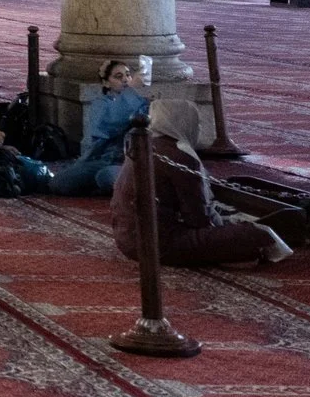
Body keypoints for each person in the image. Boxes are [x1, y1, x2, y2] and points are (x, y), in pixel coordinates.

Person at [111, 95, 292, 268]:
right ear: (184, 122)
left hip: (128, 241)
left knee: (232, 226)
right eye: (195, 123)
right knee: (255, 234)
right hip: (159, 244)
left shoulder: (142, 145)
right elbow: (198, 218)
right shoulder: (180, 155)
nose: (197, 128)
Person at [49, 59, 154, 195]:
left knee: (106, 176)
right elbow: (111, 124)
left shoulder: (138, 102)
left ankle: (107, 186)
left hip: (127, 162)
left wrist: (135, 94)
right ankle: (104, 187)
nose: (125, 80)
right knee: (59, 182)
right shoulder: (101, 103)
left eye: (128, 75)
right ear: (106, 83)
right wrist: (130, 91)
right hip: (102, 160)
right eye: (118, 76)